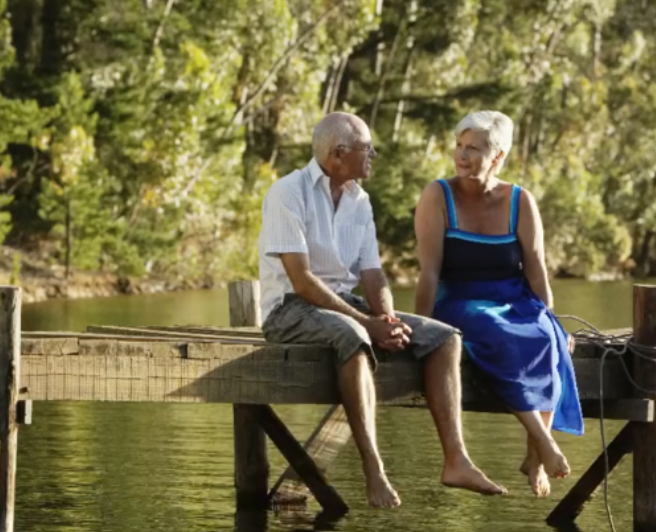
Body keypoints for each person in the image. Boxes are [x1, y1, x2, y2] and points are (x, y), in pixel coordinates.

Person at [258, 112, 506, 509]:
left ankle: (456, 460)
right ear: (338, 154)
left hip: (342, 306)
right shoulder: (288, 193)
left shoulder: (360, 201)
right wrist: (366, 325)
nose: (373, 154)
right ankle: (374, 469)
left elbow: (373, 275)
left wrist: (387, 319)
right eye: (366, 148)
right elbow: (301, 281)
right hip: (289, 309)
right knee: (353, 336)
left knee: (444, 337)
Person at [414, 110, 584, 498]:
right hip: (460, 301)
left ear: (498, 156)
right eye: (459, 145)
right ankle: (544, 440)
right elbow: (428, 272)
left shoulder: (520, 201)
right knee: (497, 331)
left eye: (473, 148)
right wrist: (419, 329)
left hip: (514, 298)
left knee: (547, 337)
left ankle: (534, 456)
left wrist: (550, 317)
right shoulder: (437, 195)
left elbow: (537, 269)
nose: (461, 155)